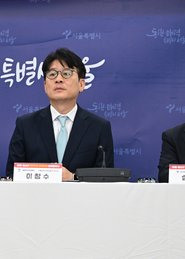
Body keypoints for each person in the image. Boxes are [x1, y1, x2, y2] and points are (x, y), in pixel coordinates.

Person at [6, 48, 114, 180]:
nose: (58, 79)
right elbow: (12, 176)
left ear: (81, 84)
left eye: (67, 74)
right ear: (45, 86)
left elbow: (105, 180)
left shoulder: (99, 128)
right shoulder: (25, 125)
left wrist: (73, 177)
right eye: (52, 74)